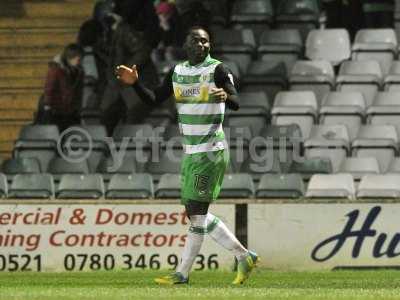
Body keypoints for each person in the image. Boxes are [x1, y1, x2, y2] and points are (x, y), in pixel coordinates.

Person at [116, 26, 259, 285]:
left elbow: (237, 100)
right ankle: (244, 256)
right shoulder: (177, 72)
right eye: (196, 40)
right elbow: (153, 99)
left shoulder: (218, 70)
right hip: (191, 152)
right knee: (195, 214)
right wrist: (136, 84)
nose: (202, 45)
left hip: (210, 152)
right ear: (186, 44)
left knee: (196, 211)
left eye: (205, 41)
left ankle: (182, 274)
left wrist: (226, 95)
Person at [42, 43, 83, 132]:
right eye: (78, 59)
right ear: (70, 57)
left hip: (70, 111)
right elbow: (49, 89)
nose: (79, 62)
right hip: (56, 112)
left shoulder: (77, 71)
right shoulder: (56, 70)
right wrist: (48, 107)